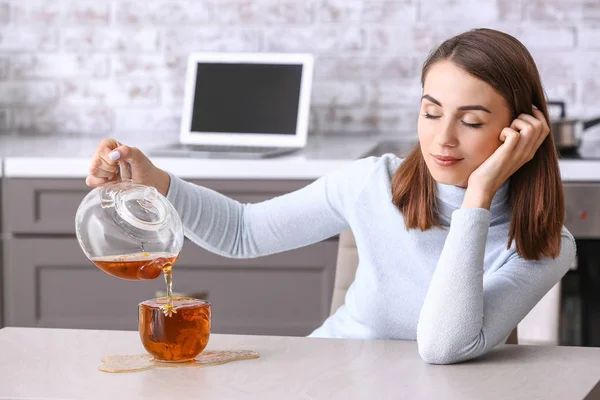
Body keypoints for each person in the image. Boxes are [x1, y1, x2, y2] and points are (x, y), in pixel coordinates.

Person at [86, 28, 575, 365]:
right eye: (431, 112)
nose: (442, 138)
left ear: (520, 133)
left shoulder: (544, 243)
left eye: (470, 122)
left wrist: (480, 194)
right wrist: (155, 180)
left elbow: (443, 346)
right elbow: (242, 233)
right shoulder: (371, 182)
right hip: (329, 375)